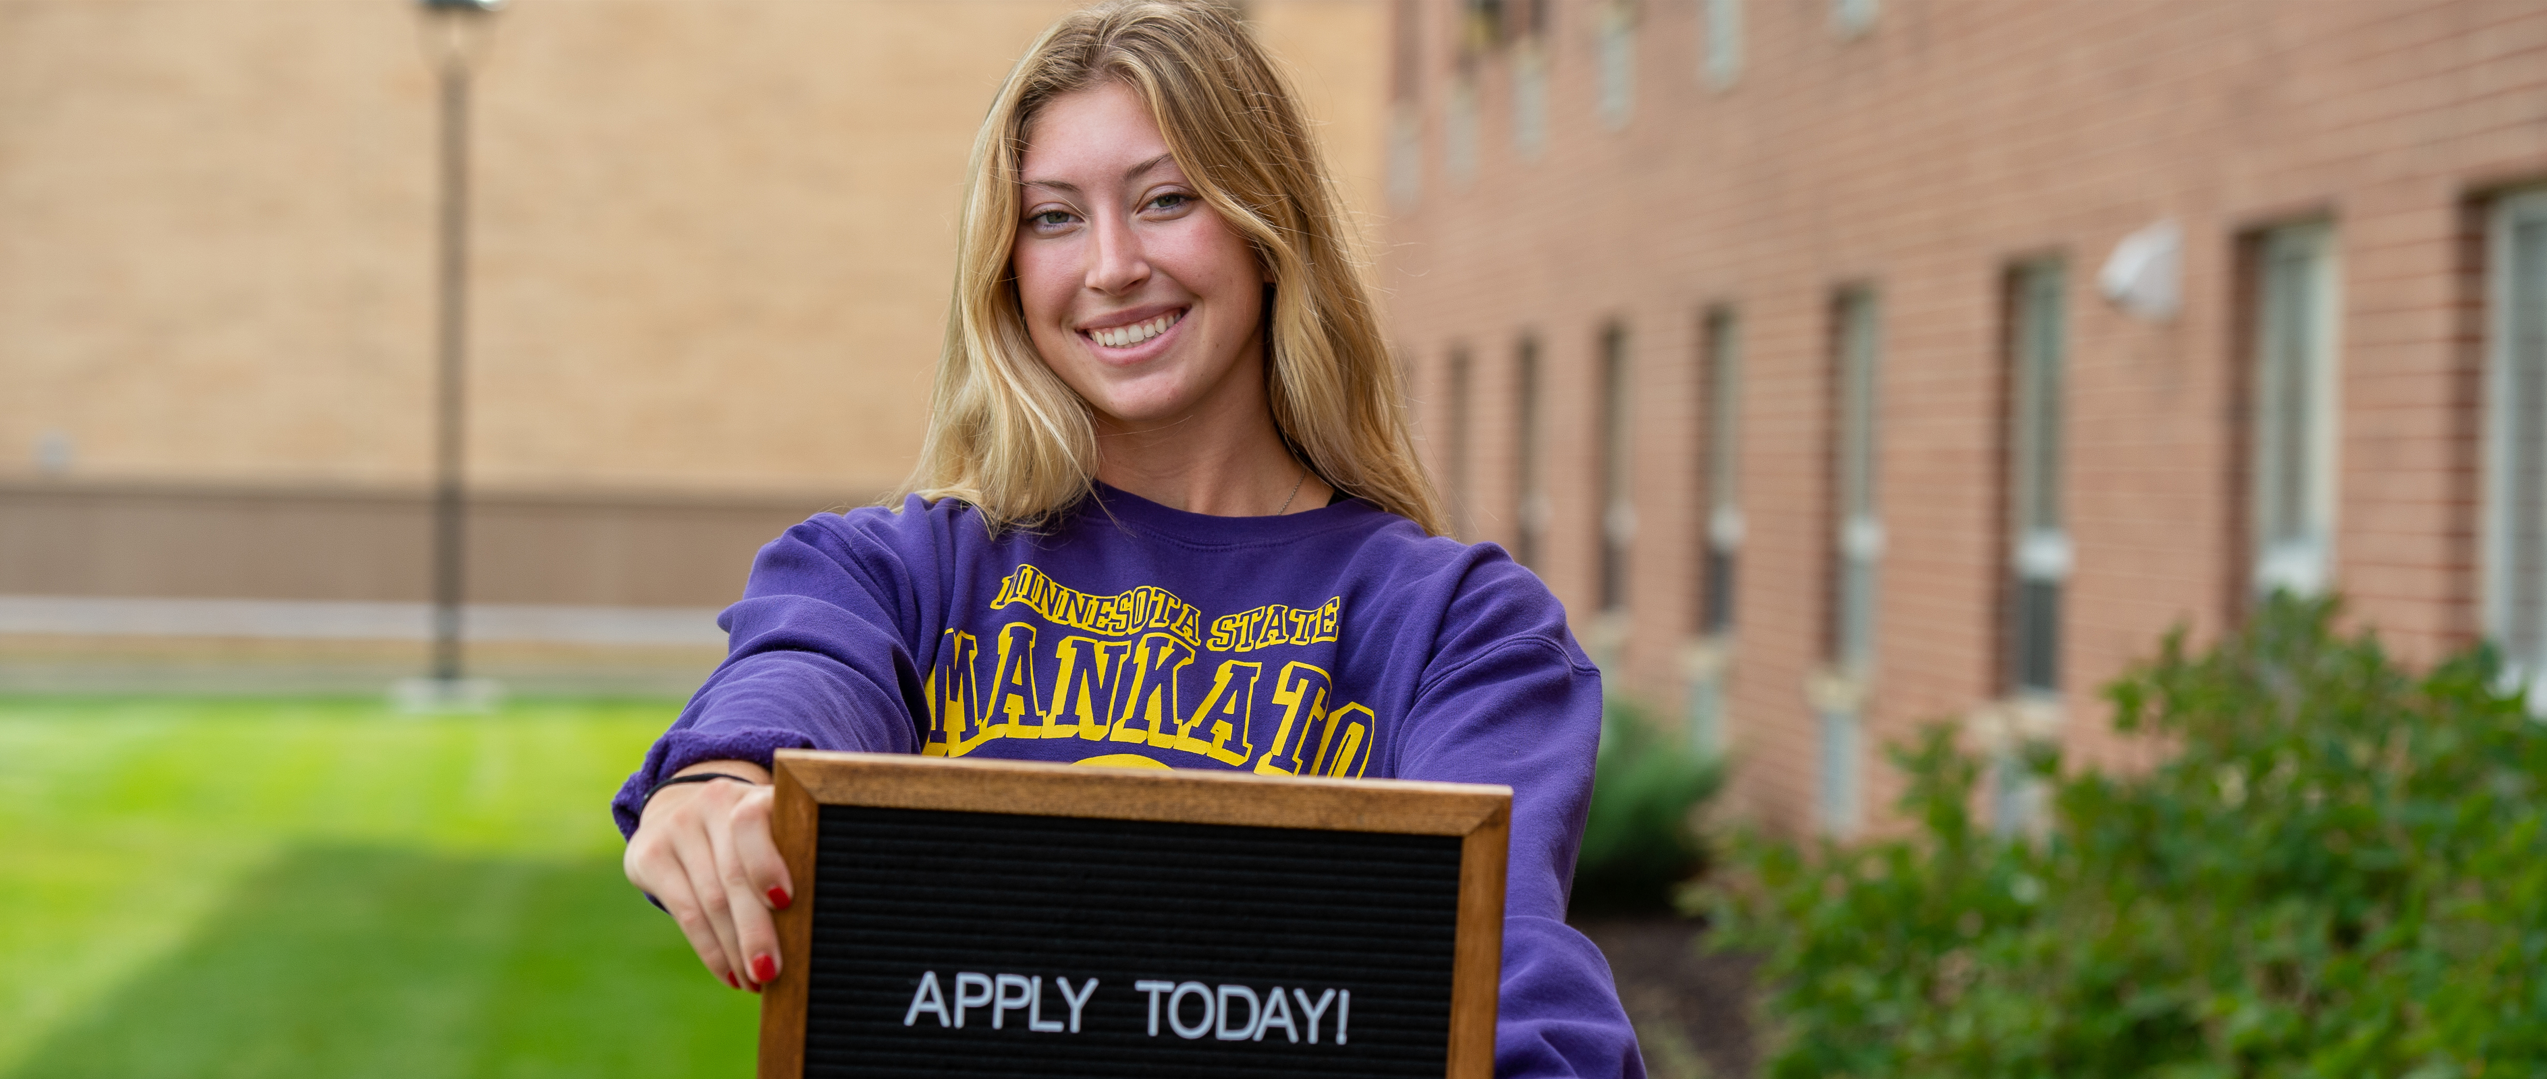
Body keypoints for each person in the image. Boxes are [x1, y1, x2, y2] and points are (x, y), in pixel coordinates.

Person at [613, 2, 1641, 1074]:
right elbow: (803, 665)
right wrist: (721, 778)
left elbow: (1504, 969)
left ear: (1265, 222)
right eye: (1054, 217)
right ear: (1006, 269)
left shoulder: (1458, 627)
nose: (1111, 265)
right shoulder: (903, 571)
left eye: (1165, 200)